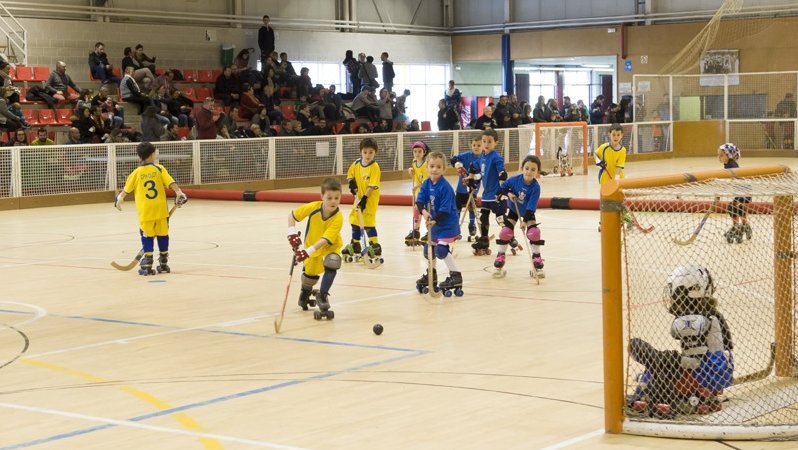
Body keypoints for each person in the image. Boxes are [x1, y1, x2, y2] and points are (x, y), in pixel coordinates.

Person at [627, 265, 733, 418]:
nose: (672, 299)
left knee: (659, 362)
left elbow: (698, 361)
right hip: (711, 369)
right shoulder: (707, 313)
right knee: (660, 363)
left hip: (711, 372)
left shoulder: (696, 320)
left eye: (676, 294)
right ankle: (652, 385)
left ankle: (655, 394)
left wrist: (672, 359)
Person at [114, 142, 188, 275]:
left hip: (145, 211)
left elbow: (125, 191)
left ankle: (148, 262)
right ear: (152, 155)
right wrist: (179, 193)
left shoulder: (136, 172)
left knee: (147, 235)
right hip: (160, 210)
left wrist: (119, 200)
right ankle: (164, 262)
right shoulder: (159, 169)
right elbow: (171, 183)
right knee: (163, 234)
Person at [287, 177, 343, 318]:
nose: (333, 201)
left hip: (330, 245)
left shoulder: (338, 218)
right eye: (329, 198)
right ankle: (305, 293)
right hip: (311, 243)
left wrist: (307, 251)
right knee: (309, 276)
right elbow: (292, 216)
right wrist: (291, 233)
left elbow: (325, 239)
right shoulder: (313, 207)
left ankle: (322, 295)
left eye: (337, 198)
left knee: (333, 262)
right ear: (322, 197)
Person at [415, 151, 463, 295]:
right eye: (432, 166)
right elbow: (420, 201)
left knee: (441, 250)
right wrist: (424, 212)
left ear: (443, 169)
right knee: (428, 250)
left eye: (438, 167)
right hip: (434, 224)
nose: (434, 169)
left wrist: (434, 220)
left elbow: (445, 210)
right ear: (427, 167)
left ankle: (456, 276)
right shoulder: (426, 183)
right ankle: (432, 275)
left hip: (446, 224)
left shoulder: (445, 187)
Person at [494, 155, 544, 275]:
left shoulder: (535, 188)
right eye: (527, 168)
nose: (529, 172)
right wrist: (509, 193)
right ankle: (500, 256)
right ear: (522, 168)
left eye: (533, 169)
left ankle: (537, 259)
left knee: (534, 233)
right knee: (506, 232)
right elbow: (501, 189)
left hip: (527, 212)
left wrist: (525, 222)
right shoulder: (515, 179)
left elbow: (531, 208)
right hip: (514, 209)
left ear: (537, 172)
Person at [342, 138, 382, 262]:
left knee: (368, 224)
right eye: (365, 152)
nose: (367, 155)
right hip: (358, 198)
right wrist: (352, 184)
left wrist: (364, 199)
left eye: (371, 152)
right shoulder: (356, 164)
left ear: (375, 152)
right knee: (355, 222)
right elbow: (350, 176)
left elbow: (372, 185)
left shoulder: (374, 167)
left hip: (369, 199)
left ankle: (375, 246)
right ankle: (355, 244)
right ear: (360, 152)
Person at [471, 128, 506, 256]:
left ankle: (510, 237)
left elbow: (502, 174)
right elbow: (475, 167)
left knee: (500, 219)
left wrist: (503, 190)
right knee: (483, 218)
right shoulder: (482, 156)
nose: (486, 144)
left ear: (495, 142)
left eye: (489, 142)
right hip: (486, 194)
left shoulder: (496, 157)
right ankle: (484, 240)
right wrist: (469, 174)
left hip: (497, 194)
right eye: (484, 141)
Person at [718, 143, 752, 243]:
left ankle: (739, 227)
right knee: (735, 207)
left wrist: (722, 187)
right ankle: (742, 226)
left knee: (735, 208)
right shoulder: (727, 165)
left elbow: (732, 179)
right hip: (740, 190)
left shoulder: (732, 165)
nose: (719, 157)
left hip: (744, 190)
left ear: (729, 155)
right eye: (718, 155)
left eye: (721, 155)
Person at [595, 123, 627, 231]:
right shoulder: (604, 147)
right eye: (613, 135)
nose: (616, 137)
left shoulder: (622, 150)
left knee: (620, 200)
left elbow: (619, 166)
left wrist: (617, 177)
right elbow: (595, 154)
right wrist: (598, 161)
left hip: (618, 180)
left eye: (618, 135)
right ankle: (602, 223)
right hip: (605, 179)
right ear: (609, 134)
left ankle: (624, 220)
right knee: (604, 202)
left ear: (622, 135)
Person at [450, 135, 482, 241]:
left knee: (472, 209)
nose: (476, 147)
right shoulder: (466, 156)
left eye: (478, 145)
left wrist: (477, 176)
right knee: (457, 208)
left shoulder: (483, 159)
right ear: (471, 145)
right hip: (460, 189)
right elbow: (453, 158)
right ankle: (455, 229)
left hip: (473, 189)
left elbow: (483, 173)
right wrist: (457, 164)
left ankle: (471, 226)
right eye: (474, 145)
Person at [404, 140, 430, 247]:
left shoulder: (425, 165)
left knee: (425, 212)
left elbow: (426, 181)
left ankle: (430, 231)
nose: (417, 154)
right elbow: (415, 174)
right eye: (415, 151)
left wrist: (416, 186)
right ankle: (416, 231)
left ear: (424, 152)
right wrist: (411, 170)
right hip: (418, 193)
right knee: (416, 213)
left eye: (419, 151)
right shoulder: (414, 162)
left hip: (425, 192)